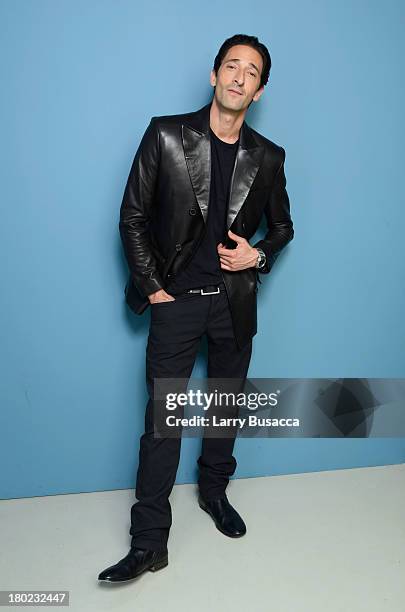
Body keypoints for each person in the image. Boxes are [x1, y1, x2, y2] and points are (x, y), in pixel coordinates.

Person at [98, 33, 294, 584]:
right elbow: (132, 215)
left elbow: (283, 228)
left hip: (234, 305)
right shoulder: (165, 135)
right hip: (177, 302)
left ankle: (214, 494)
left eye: (250, 72)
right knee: (162, 424)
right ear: (213, 76)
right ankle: (149, 541)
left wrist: (258, 256)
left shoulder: (269, 157)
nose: (238, 77)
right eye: (230, 66)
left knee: (226, 409)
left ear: (259, 90)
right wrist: (154, 285)